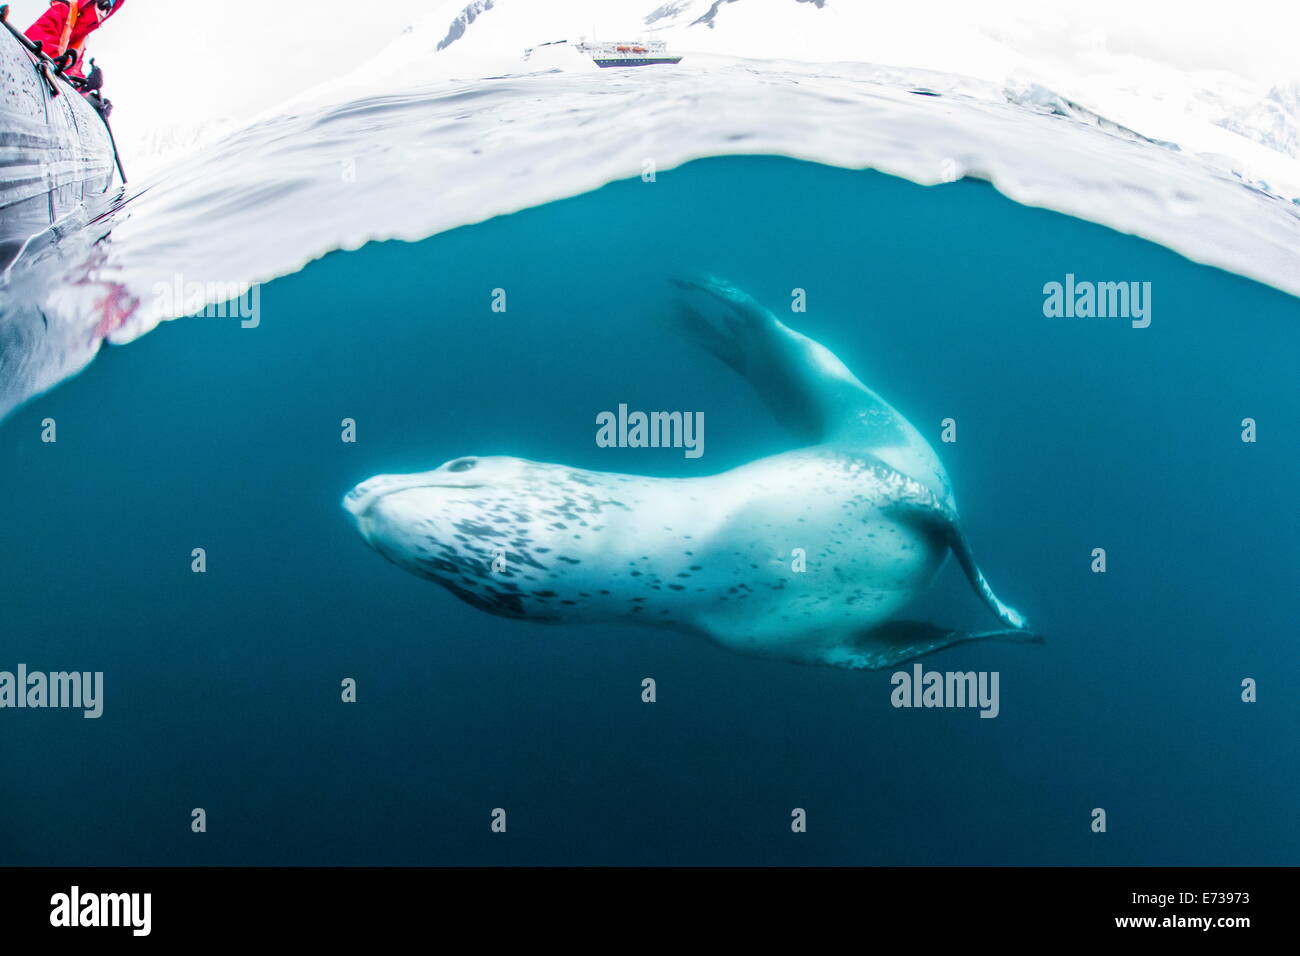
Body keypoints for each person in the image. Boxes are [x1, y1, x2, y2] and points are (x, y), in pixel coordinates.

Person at [25, 0, 127, 83]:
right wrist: (60, 68)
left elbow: (72, 74)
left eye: (108, 10)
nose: (103, 13)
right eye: (103, 5)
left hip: (47, 87)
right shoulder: (62, 9)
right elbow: (38, 41)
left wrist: (86, 86)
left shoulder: (82, 41)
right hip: (29, 74)